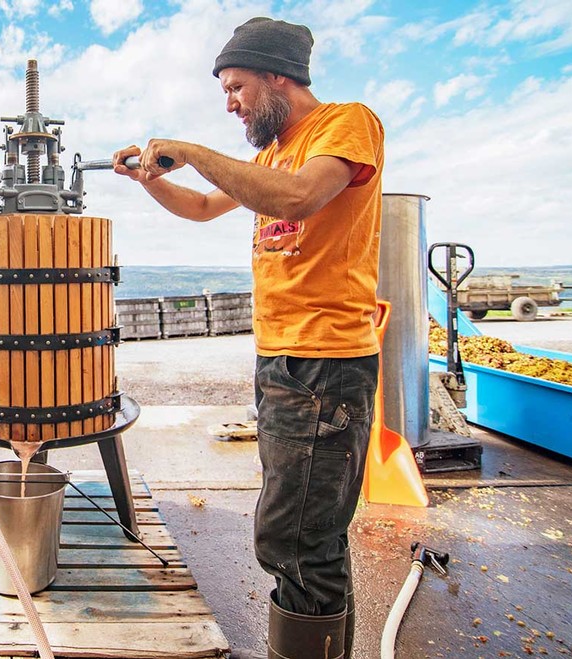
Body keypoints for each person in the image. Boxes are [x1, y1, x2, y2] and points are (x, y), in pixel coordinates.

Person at [113, 16, 384, 659]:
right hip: (284, 363)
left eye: (235, 88)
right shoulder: (270, 154)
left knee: (293, 538)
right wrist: (152, 179)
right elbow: (206, 208)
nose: (231, 104)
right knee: (310, 531)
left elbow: (295, 199)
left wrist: (196, 150)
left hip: (324, 363)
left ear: (276, 76)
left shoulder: (345, 124)